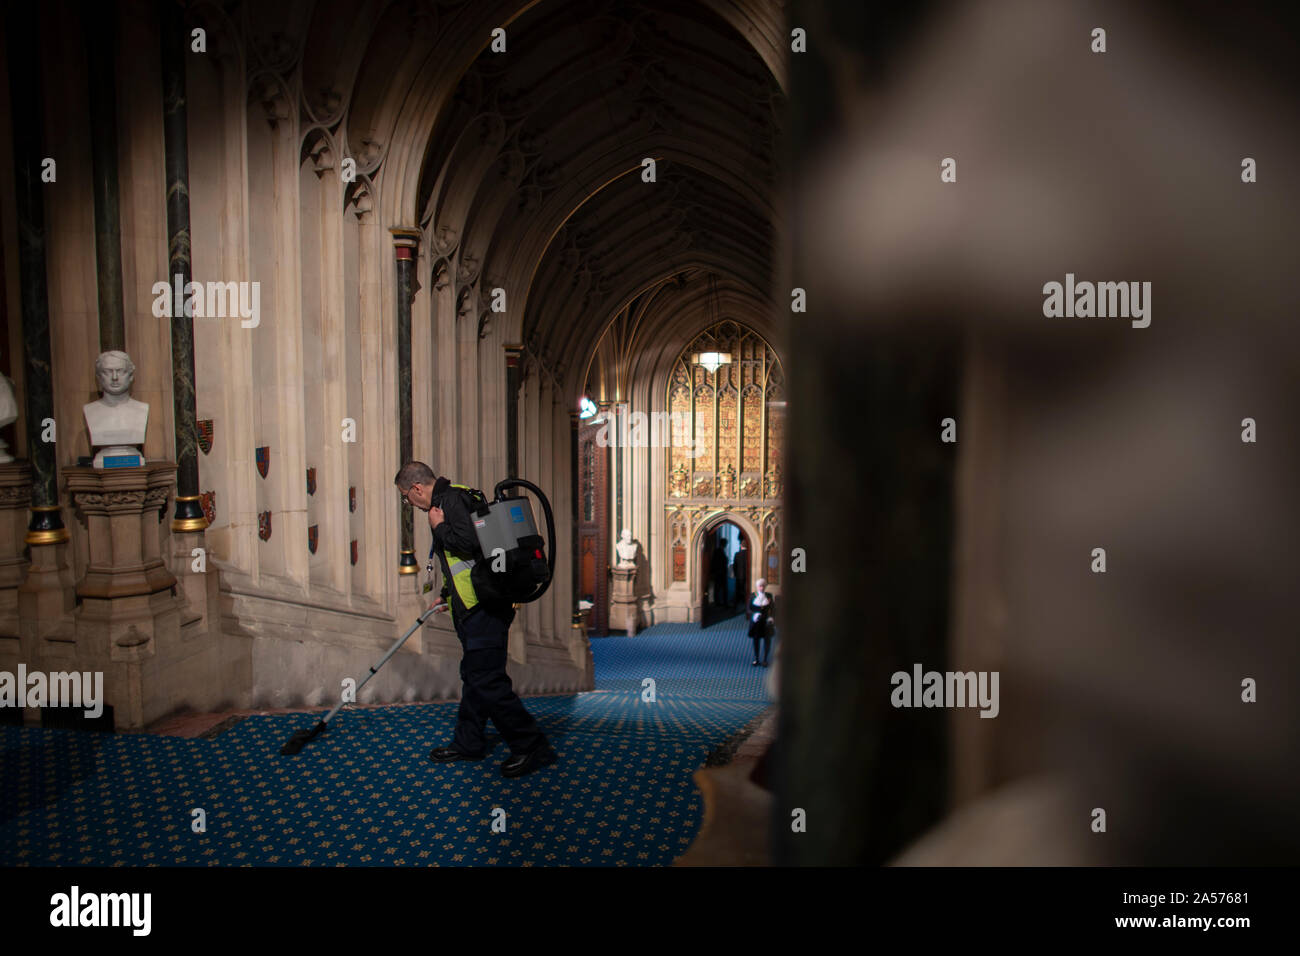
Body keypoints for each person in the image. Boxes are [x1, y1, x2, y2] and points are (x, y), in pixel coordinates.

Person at [395, 460, 556, 778]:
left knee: (487, 679)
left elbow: (469, 544)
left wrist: (438, 528)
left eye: (405, 495)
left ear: (416, 488)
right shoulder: (455, 497)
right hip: (476, 601)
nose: (407, 503)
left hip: (484, 605)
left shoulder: (448, 502)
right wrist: (447, 592)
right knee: (475, 674)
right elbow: (468, 559)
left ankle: (530, 745)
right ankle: (469, 742)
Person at [748, 578, 776, 667]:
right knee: (756, 640)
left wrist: (771, 617)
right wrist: (754, 615)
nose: (762, 588)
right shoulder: (753, 596)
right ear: (757, 587)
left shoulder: (769, 596)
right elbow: (749, 609)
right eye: (760, 586)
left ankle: (765, 659)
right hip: (756, 622)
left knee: (767, 640)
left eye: (763, 586)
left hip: (766, 622)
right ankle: (756, 658)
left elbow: (772, 608)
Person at [710, 539, 729, 607]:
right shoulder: (718, 551)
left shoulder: (721, 550)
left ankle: (723, 603)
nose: (726, 545)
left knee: (723, 589)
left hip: (721, 572)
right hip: (719, 573)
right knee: (718, 588)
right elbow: (715, 562)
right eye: (725, 543)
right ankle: (719, 603)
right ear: (723, 544)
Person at [732, 540, 750, 610]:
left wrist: (735, 574)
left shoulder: (737, 554)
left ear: (741, 545)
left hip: (739, 576)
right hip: (748, 576)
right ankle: (747, 606)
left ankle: (735, 607)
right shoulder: (749, 554)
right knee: (746, 591)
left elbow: (734, 566)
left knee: (738, 591)